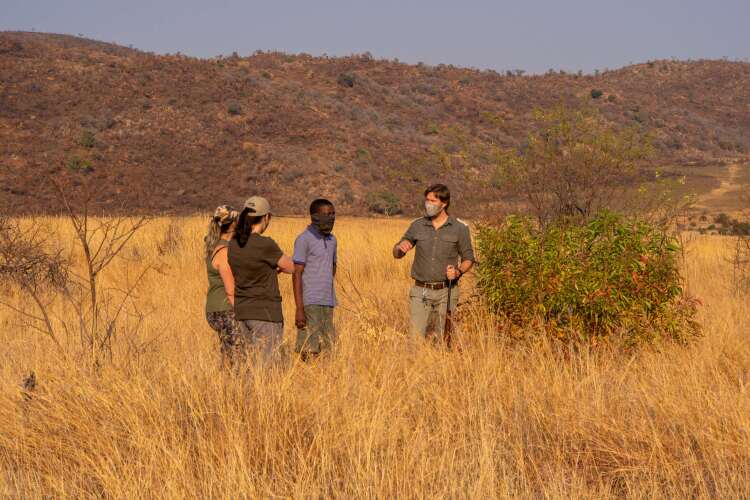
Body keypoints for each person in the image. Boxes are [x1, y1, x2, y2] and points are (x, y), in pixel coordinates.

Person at [392, 184, 475, 342]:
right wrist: (400, 248)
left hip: (446, 292)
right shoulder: (417, 225)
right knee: (414, 340)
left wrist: (458, 272)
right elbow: (397, 253)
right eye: (427, 200)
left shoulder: (460, 228)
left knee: (443, 340)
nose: (428, 204)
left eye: (433, 201)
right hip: (421, 291)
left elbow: (468, 258)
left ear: (444, 203)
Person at [228, 196, 295, 367]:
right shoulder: (265, 244)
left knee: (247, 367)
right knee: (267, 368)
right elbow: (291, 267)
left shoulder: (233, 244)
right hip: (265, 313)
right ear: (266, 217)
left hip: (242, 312)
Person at [292, 199, 338, 360]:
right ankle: (306, 374)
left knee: (327, 346)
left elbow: (332, 266)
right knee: (309, 348)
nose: (331, 218)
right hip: (310, 301)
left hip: (328, 300)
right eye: (326, 214)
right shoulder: (303, 239)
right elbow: (296, 274)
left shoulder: (332, 240)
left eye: (333, 214)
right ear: (315, 216)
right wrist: (299, 308)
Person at [204, 205, 241, 367]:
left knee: (227, 352)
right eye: (238, 220)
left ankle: (224, 379)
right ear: (232, 225)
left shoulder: (215, 245)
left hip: (215, 307)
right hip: (225, 308)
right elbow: (230, 290)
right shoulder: (224, 251)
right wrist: (242, 313)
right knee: (237, 354)